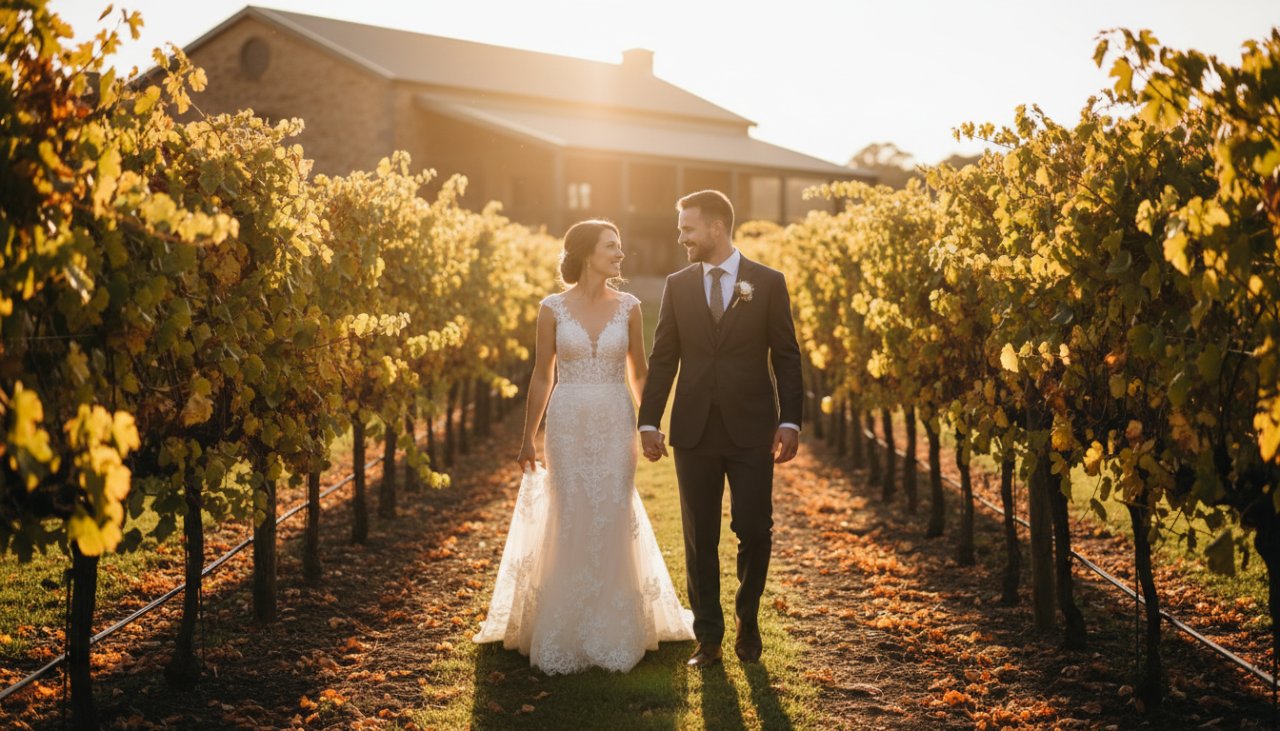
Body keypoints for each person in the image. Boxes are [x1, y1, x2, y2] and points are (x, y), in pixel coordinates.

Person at [472, 219, 694, 674]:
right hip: (568, 420)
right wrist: (527, 437)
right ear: (587, 253)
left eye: (619, 245)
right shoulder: (551, 308)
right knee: (570, 509)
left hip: (615, 420)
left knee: (612, 508)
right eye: (611, 246)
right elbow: (542, 375)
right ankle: (565, 623)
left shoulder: (630, 306)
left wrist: (649, 423)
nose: (620, 254)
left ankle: (614, 623)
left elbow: (639, 372)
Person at [638, 190, 804, 668]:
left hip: (752, 427)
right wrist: (650, 419)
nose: (680, 237)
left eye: (687, 228)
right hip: (693, 429)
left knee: (755, 528)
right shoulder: (678, 284)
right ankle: (708, 637)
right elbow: (664, 356)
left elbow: (787, 356)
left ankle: (747, 621)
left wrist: (789, 419)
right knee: (699, 536)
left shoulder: (768, 283)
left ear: (715, 228)